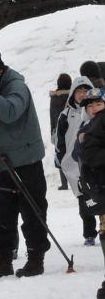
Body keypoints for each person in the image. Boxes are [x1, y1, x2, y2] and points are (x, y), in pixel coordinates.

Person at [0, 47, 49, 280]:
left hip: (26, 161)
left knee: (33, 212)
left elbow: (10, 112)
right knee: (3, 215)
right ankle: (4, 261)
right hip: (2, 161)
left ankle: (36, 259)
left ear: (0, 68)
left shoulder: (17, 86)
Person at [55, 75, 96, 245]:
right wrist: (61, 159)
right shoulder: (65, 115)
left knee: (100, 196)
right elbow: (59, 140)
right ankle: (89, 233)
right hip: (75, 166)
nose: (82, 94)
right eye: (79, 91)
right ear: (72, 94)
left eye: (86, 90)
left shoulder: (97, 111)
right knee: (84, 200)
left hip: (95, 162)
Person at [79, 90, 105, 299]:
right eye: (92, 105)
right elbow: (86, 156)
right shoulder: (87, 129)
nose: (96, 107)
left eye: (99, 103)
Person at [49, 73, 71, 189]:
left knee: (60, 154)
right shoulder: (72, 96)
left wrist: (52, 132)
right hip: (70, 128)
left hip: (58, 130)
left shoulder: (54, 98)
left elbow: (52, 116)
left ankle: (64, 184)